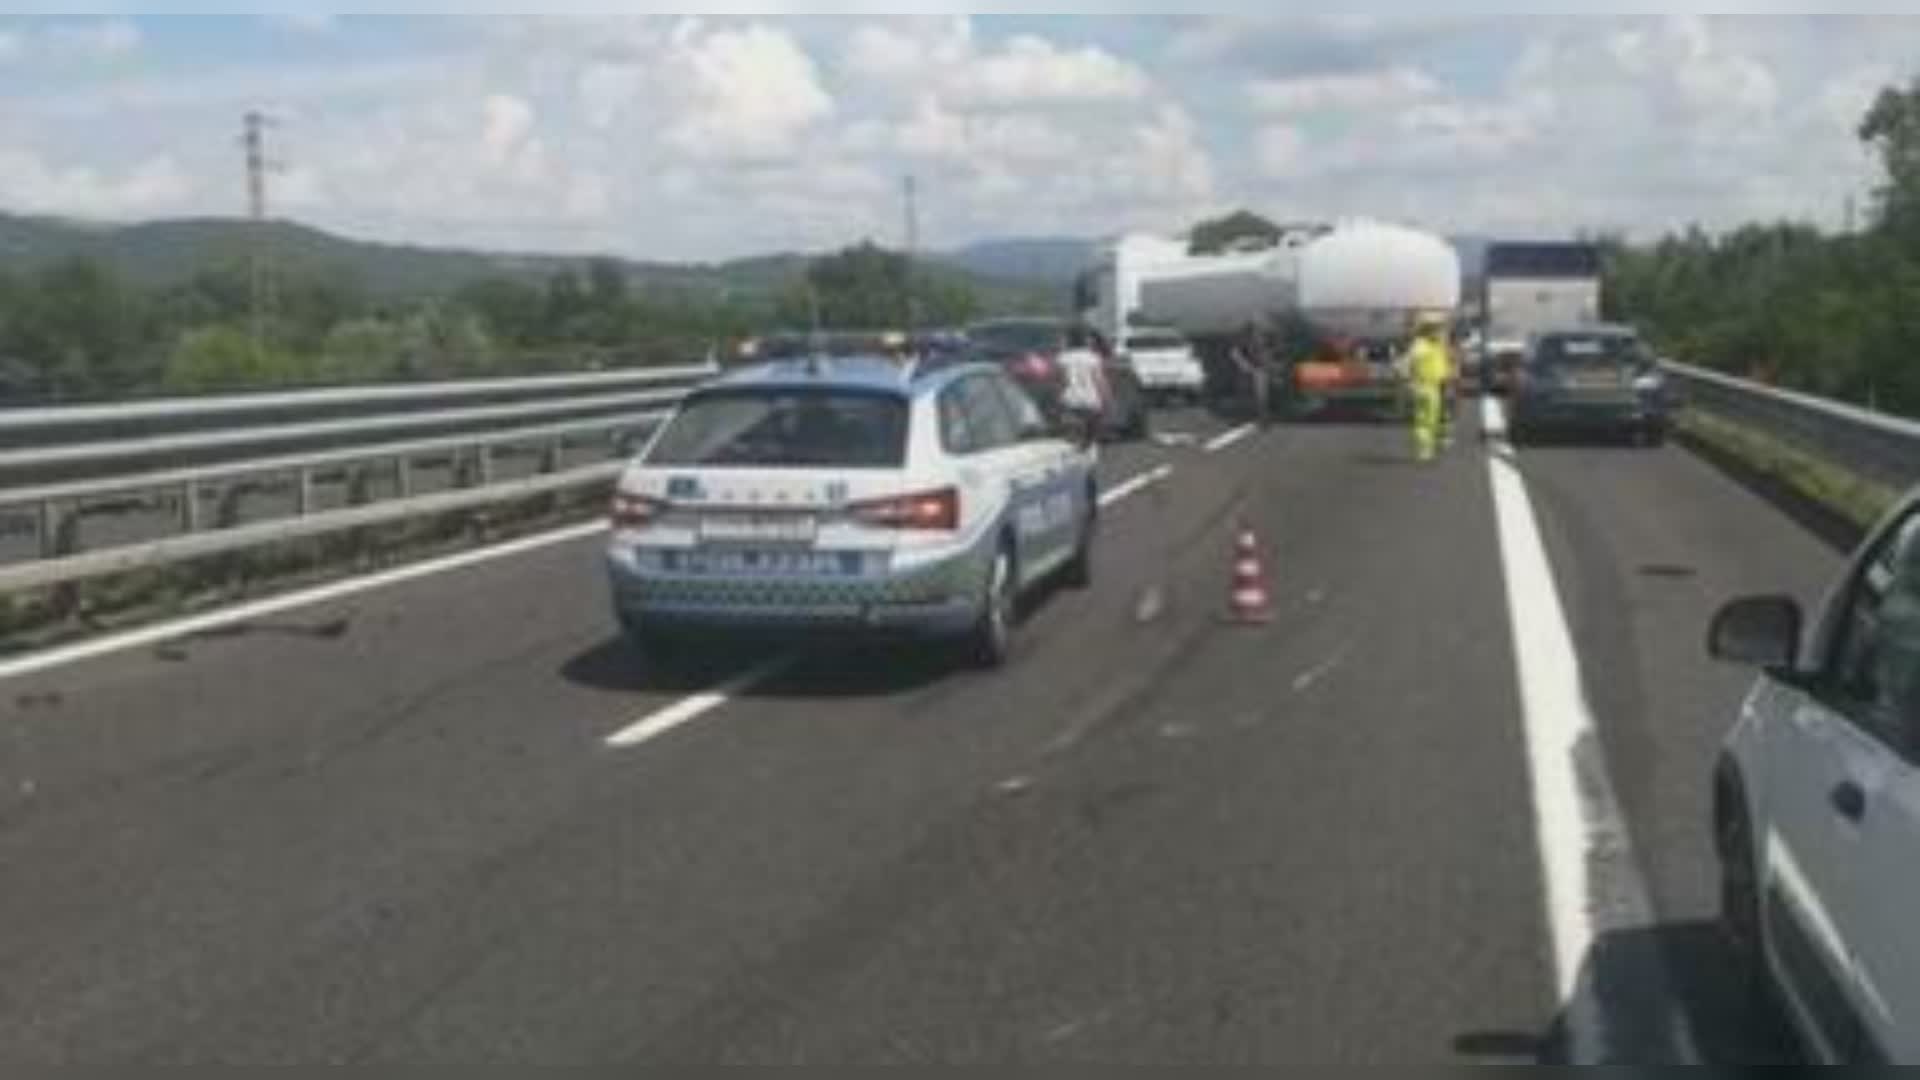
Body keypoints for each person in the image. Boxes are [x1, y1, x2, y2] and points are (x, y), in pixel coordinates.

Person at [1407, 312, 1455, 463]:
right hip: (1423, 385)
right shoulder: (1420, 345)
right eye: (1435, 329)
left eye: (1439, 330)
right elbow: (1409, 361)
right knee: (1423, 419)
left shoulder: (1438, 344)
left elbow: (1446, 359)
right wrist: (1410, 380)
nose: (1439, 332)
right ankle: (1424, 449)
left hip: (1436, 385)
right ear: (1428, 330)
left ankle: (1431, 445)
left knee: (1433, 417)